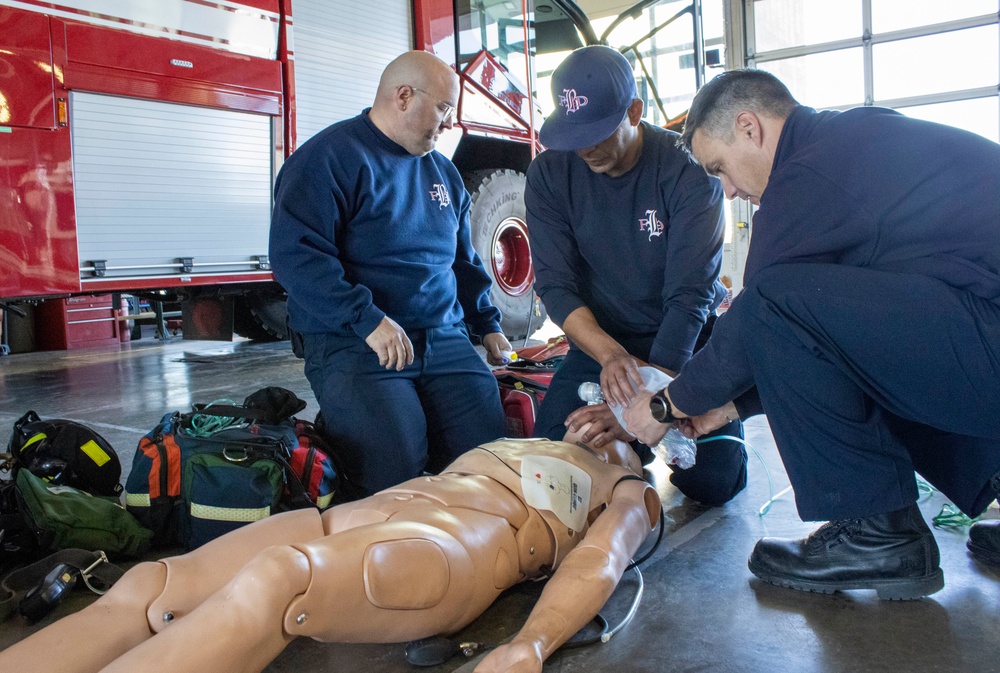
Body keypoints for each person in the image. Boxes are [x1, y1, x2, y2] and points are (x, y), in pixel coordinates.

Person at [623, 68, 1000, 599]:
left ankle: (876, 535)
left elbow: (760, 314)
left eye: (721, 169)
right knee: (839, 316)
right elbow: (832, 338)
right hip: (985, 326)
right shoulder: (850, 142)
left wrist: (665, 405)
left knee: (776, 295)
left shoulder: (806, 176)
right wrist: (727, 409)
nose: (727, 191)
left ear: (750, 128)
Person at [0, 427, 660, 673]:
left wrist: (533, 642)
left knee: (276, 582)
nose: (610, 400)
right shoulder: (551, 437)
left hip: (464, 543)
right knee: (147, 587)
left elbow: (599, 558)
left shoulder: (629, 486)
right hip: (375, 511)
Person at [269, 51, 510, 498]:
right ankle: (349, 432)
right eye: (444, 110)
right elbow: (296, 256)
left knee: (488, 459)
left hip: (442, 337)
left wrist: (486, 324)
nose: (448, 124)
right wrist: (367, 319)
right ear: (403, 96)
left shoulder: (444, 175)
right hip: (356, 341)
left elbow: (462, 260)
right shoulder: (327, 159)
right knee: (393, 472)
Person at [525, 45, 748, 506]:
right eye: (573, 134)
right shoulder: (549, 173)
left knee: (713, 484)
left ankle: (648, 446)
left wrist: (645, 406)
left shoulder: (688, 170)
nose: (585, 147)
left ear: (634, 111)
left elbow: (690, 297)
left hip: (680, 342)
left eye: (598, 132)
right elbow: (555, 285)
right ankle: (632, 453)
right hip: (604, 345)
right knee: (555, 456)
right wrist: (610, 358)